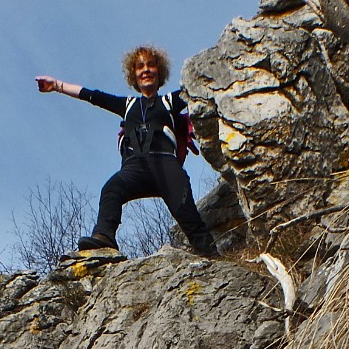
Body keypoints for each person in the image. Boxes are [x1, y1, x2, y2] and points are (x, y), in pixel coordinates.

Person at [36, 46, 219, 257]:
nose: (146, 70)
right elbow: (92, 96)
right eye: (140, 66)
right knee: (112, 189)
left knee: (190, 218)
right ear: (134, 75)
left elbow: (201, 89)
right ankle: (104, 238)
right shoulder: (128, 104)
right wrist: (57, 86)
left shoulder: (170, 102)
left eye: (151, 65)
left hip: (166, 166)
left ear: (160, 72)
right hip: (135, 166)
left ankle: (212, 256)